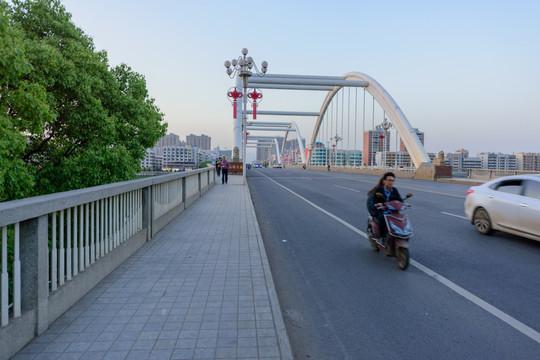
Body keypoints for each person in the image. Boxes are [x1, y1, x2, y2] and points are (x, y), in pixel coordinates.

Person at [366, 172, 408, 244]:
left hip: (392, 210)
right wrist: (378, 204)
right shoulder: (379, 190)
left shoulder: (394, 190)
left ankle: (400, 233)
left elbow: (399, 200)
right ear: (384, 181)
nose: (391, 182)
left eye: (392, 180)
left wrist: (404, 204)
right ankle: (382, 237)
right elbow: (374, 200)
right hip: (381, 211)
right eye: (389, 180)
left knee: (400, 218)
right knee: (382, 217)